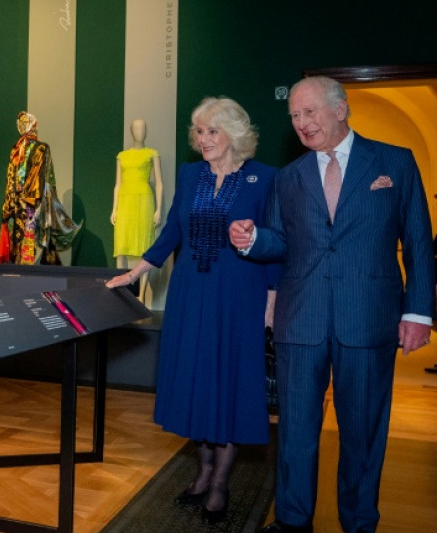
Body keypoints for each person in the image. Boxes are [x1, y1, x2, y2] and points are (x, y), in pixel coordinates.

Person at [229, 76, 434, 533]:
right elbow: (280, 241)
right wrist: (252, 239)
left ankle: (359, 522)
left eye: (310, 112)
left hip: (368, 318)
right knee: (297, 434)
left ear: (340, 109)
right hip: (301, 320)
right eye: (295, 116)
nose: (302, 124)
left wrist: (418, 312)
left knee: (362, 435)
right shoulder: (290, 177)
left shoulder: (394, 164)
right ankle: (292, 521)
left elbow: (419, 242)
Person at [106, 97, 278, 525]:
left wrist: (272, 304)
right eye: (199, 132)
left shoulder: (265, 179)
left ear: (235, 134)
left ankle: (220, 483)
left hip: (241, 297)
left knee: (229, 385)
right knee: (197, 382)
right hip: (190, 293)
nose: (203, 140)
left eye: (212, 132)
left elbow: (277, 244)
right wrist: (136, 271)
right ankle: (202, 472)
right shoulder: (190, 173)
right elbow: (173, 233)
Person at [0, 111, 81, 265]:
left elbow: (42, 176)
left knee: (33, 239)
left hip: (33, 203)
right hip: (17, 203)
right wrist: (9, 202)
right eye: (20, 124)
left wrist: (30, 198)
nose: (23, 127)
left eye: (25, 123)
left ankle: (30, 272)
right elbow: (10, 176)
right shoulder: (15, 149)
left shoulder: (41, 148)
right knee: (16, 241)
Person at [110, 119, 163, 300]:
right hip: (125, 199)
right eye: (137, 128)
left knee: (144, 245)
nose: (140, 131)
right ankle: (121, 293)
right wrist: (114, 208)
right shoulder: (122, 155)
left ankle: (141, 295)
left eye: (143, 128)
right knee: (121, 246)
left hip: (144, 200)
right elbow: (117, 184)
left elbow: (159, 184)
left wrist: (159, 210)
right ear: (132, 131)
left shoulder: (151, 153)